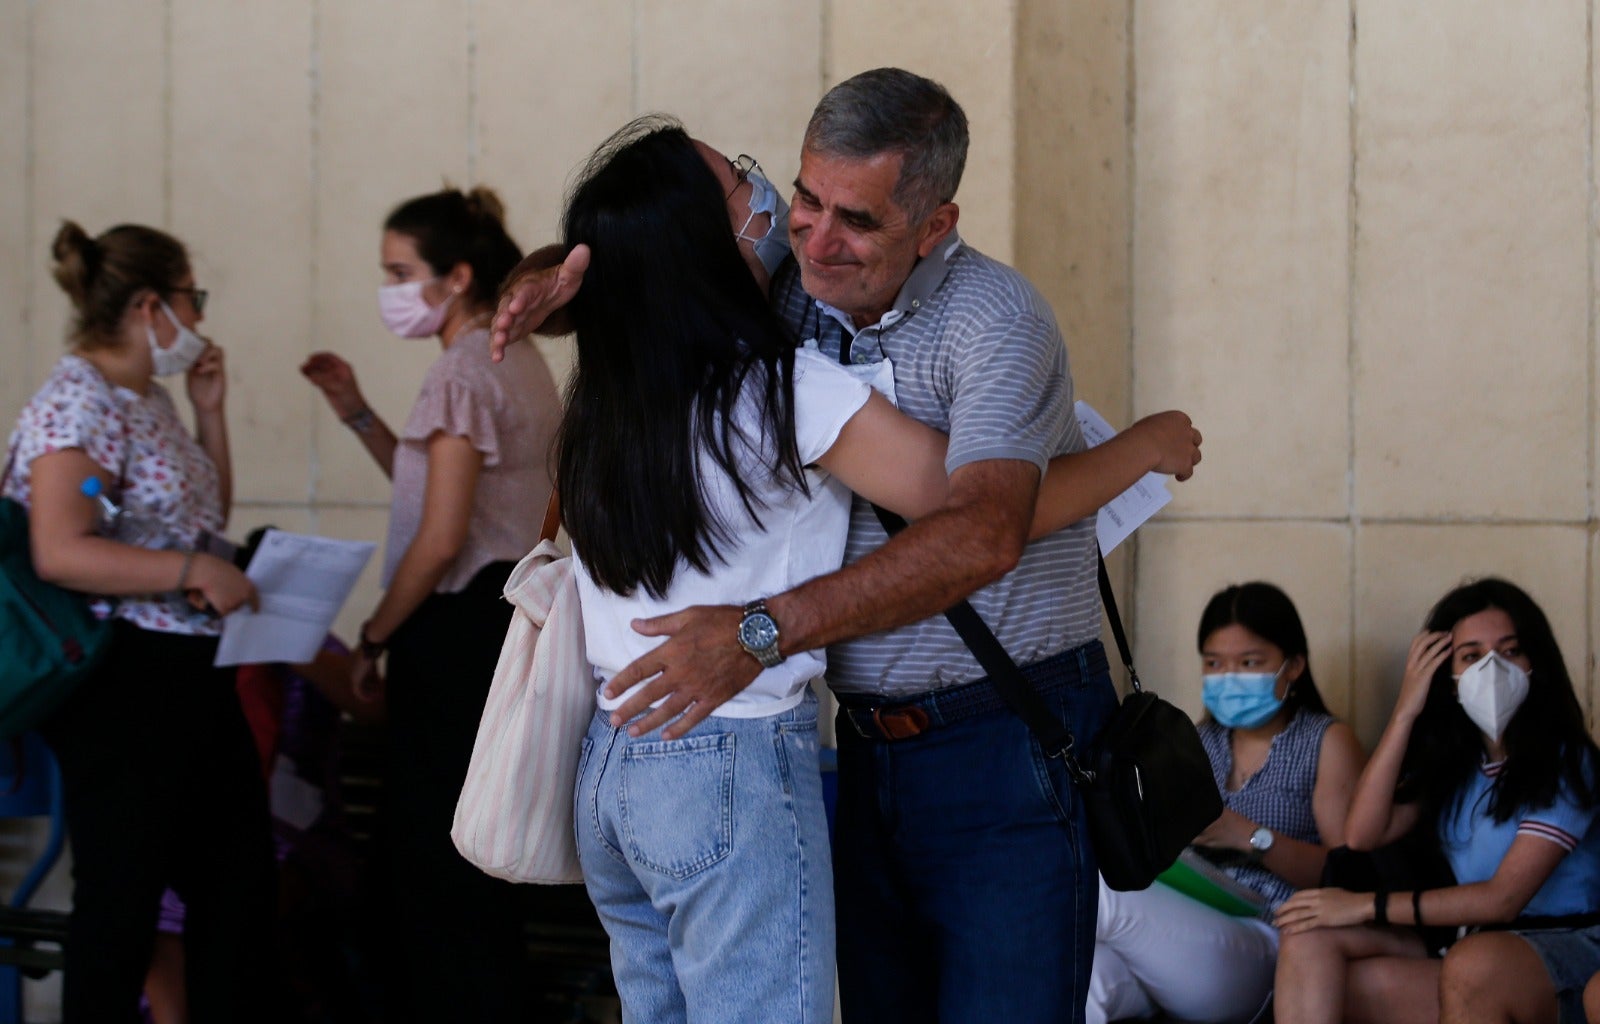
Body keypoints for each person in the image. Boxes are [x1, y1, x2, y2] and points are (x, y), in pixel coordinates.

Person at [495, 68, 1202, 1023]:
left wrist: (755, 632)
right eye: (801, 198)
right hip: (853, 745)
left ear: (934, 224)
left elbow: (985, 531)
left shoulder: (995, 322)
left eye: (857, 221)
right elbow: (658, 259)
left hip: (999, 744)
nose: (813, 239)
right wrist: (555, 276)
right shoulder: (784, 308)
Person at [4, 220, 278, 1021]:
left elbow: (201, 520)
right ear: (151, 304)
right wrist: (196, 572)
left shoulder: (147, 399)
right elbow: (61, 549)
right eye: (192, 299)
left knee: (237, 888)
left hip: (187, 667)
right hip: (120, 673)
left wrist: (211, 414)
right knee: (121, 901)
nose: (198, 320)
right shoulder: (75, 403)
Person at [300, 186, 561, 1022]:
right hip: (508, 620)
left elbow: (440, 539)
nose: (391, 289)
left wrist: (373, 636)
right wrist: (357, 416)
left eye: (401, 272)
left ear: (457, 275)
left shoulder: (458, 374)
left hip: (454, 636)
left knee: (436, 876)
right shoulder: (513, 358)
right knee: (480, 866)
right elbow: (446, 500)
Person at [1274, 577, 1600, 1024]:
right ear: (1446, 677)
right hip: (1474, 943)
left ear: (1535, 664)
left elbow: (1502, 900)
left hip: (1566, 947)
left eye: (1510, 651)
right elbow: (1361, 834)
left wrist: (1367, 904)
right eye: (1471, 656)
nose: (1492, 669)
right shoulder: (1456, 767)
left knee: (1475, 962)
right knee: (1309, 939)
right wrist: (1406, 709)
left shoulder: (1566, 762)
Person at [1087, 582, 1365, 1024]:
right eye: (1214, 664)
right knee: (1090, 986)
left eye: (1249, 663)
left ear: (1293, 666)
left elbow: (1348, 872)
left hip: (1269, 935)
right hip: (1184, 921)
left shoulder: (1324, 741)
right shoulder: (1196, 742)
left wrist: (1250, 837)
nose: (1229, 677)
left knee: (1099, 894)